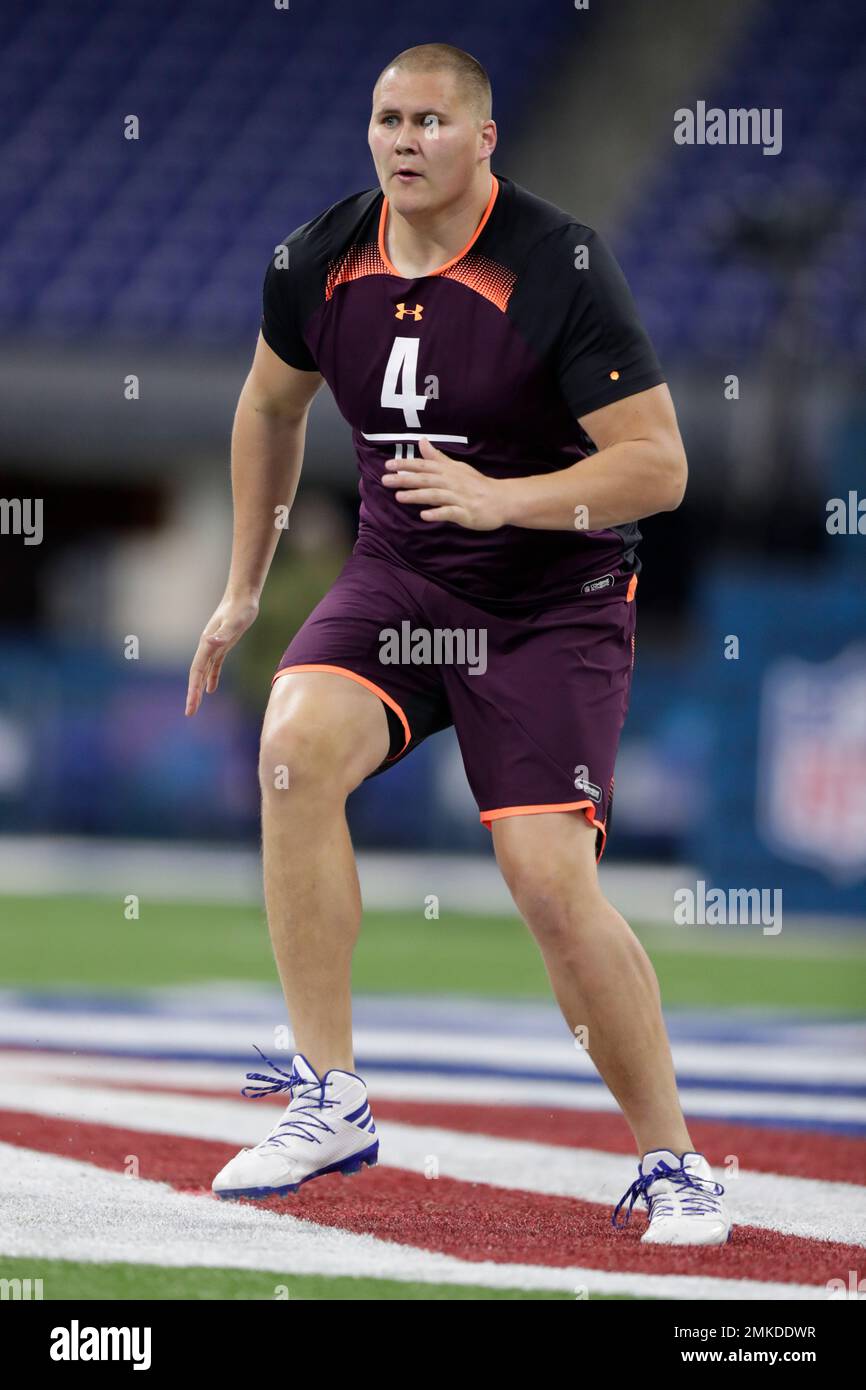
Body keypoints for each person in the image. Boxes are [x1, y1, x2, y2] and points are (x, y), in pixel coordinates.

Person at [186, 42, 731, 1246]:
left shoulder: (556, 265)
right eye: (386, 118)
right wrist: (241, 586)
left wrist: (505, 500)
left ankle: (673, 1159)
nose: (403, 140)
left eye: (430, 121)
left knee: (546, 878)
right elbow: (268, 406)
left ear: (484, 138)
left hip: (553, 595)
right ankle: (329, 1094)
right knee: (291, 750)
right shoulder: (319, 257)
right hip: (401, 574)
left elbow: (659, 467)